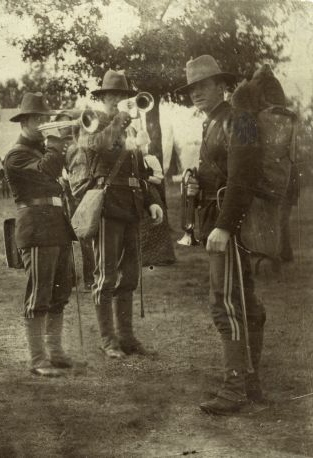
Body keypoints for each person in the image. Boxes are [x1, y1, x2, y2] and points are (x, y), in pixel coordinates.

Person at [175, 55, 265, 415]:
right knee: (246, 305)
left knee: (226, 304)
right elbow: (223, 173)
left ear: (221, 85)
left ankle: (234, 389)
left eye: (204, 85)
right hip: (219, 221)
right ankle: (250, 382)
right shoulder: (213, 122)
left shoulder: (240, 119)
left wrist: (225, 227)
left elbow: (243, 178)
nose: (196, 93)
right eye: (192, 88)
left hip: (231, 226)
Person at [83, 70, 163, 359]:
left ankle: (126, 337)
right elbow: (100, 147)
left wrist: (151, 200)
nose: (117, 100)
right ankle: (108, 340)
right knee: (105, 275)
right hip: (107, 205)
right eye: (112, 96)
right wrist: (120, 120)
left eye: (121, 96)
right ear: (103, 98)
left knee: (129, 275)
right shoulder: (93, 122)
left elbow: (141, 170)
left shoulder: (128, 127)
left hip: (130, 205)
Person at [4, 92, 76, 377]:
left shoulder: (42, 150)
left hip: (56, 224)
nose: (43, 124)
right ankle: (37, 358)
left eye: (44, 118)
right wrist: (56, 143)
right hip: (35, 226)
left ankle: (55, 351)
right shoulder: (16, 155)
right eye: (37, 119)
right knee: (39, 293)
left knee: (61, 291)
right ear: (25, 121)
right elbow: (48, 170)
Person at [57, 111, 96, 291]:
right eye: (61, 124)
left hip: (86, 193)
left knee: (86, 237)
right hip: (68, 195)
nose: (63, 127)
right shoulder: (60, 146)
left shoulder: (84, 145)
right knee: (71, 237)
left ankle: (90, 278)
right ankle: (71, 278)